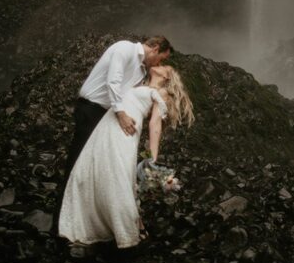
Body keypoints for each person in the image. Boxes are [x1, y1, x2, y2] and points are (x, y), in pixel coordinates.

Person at [58, 63, 194, 248]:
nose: (159, 65)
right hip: (105, 128)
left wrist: (152, 158)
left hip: (125, 133)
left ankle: (130, 231)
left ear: (167, 77)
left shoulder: (161, 93)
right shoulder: (138, 84)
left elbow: (155, 125)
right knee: (91, 171)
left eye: (165, 66)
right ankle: (94, 223)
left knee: (118, 176)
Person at [52, 35, 172, 233]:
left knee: (94, 169)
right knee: (77, 167)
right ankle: (62, 225)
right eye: (161, 58)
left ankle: (95, 221)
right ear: (155, 48)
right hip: (92, 109)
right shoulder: (124, 49)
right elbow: (113, 82)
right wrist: (121, 114)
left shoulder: (142, 70)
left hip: (106, 117)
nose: (160, 63)